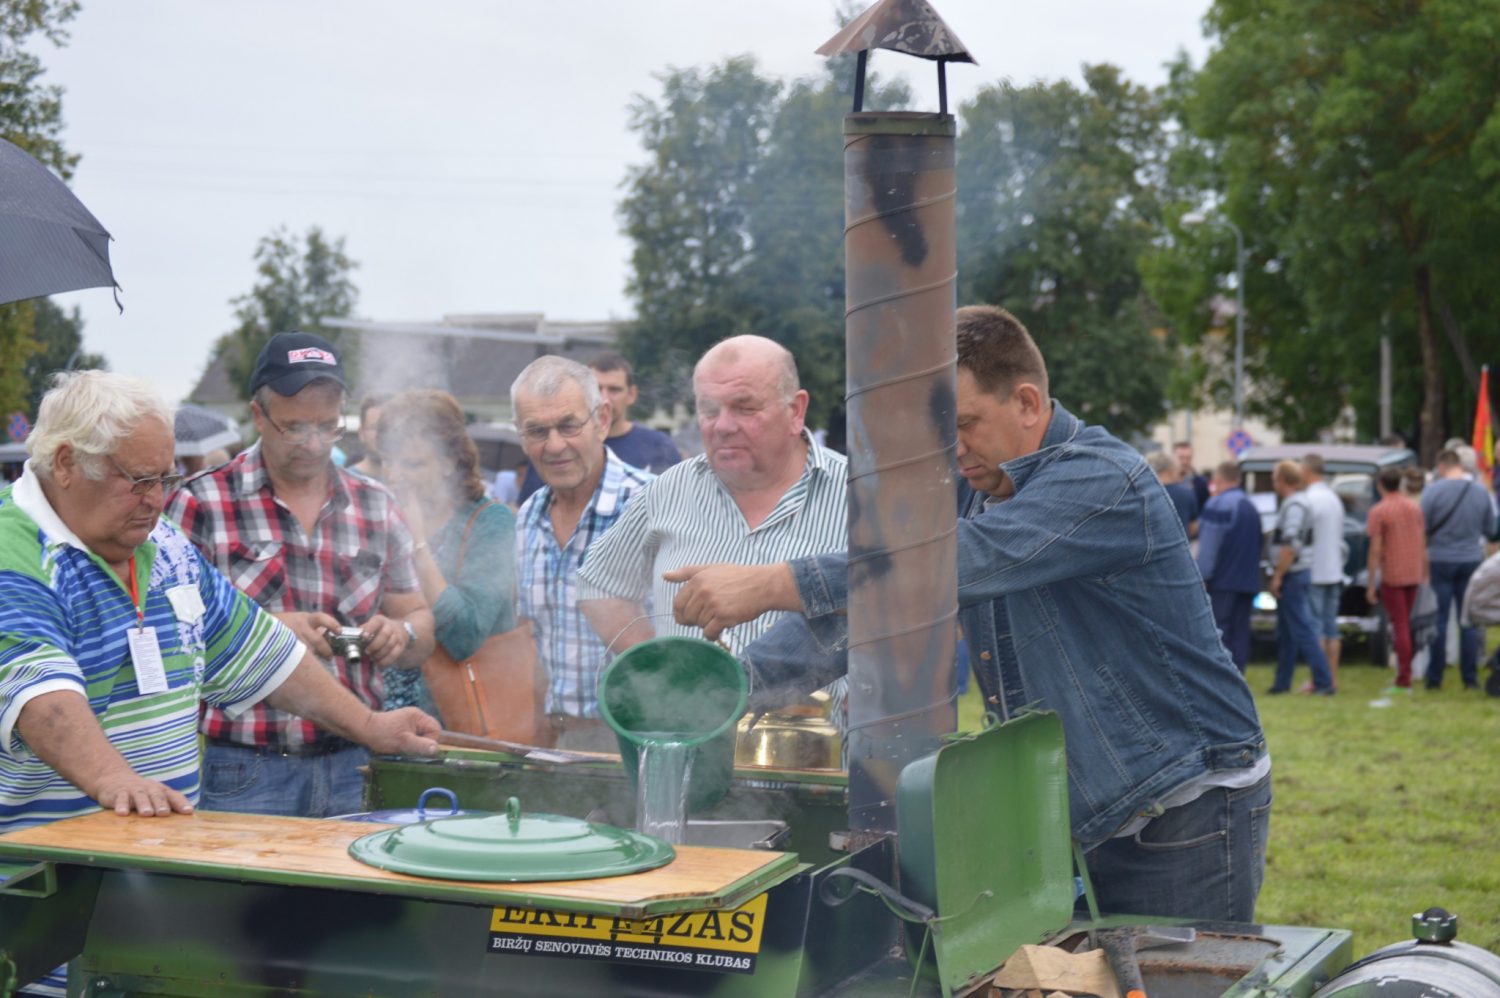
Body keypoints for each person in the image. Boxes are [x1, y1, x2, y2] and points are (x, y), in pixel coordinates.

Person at [668, 307, 1268, 923]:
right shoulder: (974, 487)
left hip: (1183, 809)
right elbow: (875, 612)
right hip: (1080, 813)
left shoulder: (1104, 481)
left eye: (964, 424)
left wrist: (774, 582)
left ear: (1027, 402)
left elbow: (948, 564)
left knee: (1172, 974)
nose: (951, 450)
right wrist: (731, 688)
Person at [0, 373, 439, 997]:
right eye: (139, 480)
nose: (156, 499)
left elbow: (264, 652)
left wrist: (371, 726)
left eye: (165, 478)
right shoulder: (13, 550)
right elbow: (39, 693)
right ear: (67, 463)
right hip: (42, 916)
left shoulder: (164, 545)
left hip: (148, 904)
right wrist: (115, 780)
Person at [166, 332, 436, 817]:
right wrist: (265, 632)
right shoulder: (200, 502)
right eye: (294, 427)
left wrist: (402, 633)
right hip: (247, 769)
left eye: (328, 427)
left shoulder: (376, 503)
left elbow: (420, 622)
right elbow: (168, 637)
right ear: (258, 415)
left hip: (357, 764)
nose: (314, 444)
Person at [577, 335, 848, 659]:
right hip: (689, 696)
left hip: (820, 696)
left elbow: (897, 595)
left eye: (745, 408)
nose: (723, 426)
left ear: (795, 410)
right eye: (709, 410)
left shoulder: (857, 493)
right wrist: (659, 666)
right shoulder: (667, 490)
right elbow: (599, 583)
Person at [511, 356, 653, 750]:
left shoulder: (653, 506)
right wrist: (540, 743)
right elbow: (537, 641)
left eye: (568, 425)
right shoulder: (528, 517)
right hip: (563, 742)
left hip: (643, 741)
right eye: (537, 431)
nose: (555, 445)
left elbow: (687, 648)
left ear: (602, 419)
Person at [376, 390, 517, 721]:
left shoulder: (490, 523)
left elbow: (465, 635)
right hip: (379, 721)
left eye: (412, 464)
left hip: (455, 724)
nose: (394, 476)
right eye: (387, 461)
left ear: (449, 462)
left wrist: (417, 541)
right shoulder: (376, 516)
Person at [1420, 447, 1494, 690]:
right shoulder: (1480, 492)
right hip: (1471, 559)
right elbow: (1490, 529)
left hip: (1440, 559)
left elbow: (1423, 527)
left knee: (1439, 619)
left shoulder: (1432, 492)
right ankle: (1470, 678)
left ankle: (1435, 677)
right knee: (1468, 620)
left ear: (1442, 466)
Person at [1267, 461, 1335, 695]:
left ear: (1283, 480)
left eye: (1275, 478)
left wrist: (1278, 575)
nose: (1273, 482)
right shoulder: (1297, 502)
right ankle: (1282, 682)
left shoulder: (1295, 505)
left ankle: (1323, 681)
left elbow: (1291, 544)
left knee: (1302, 629)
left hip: (1293, 574)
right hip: (1296, 573)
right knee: (1287, 633)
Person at [1365, 465, 1428, 693]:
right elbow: (1422, 541)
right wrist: (1424, 570)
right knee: (1407, 623)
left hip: (1393, 573)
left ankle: (1404, 676)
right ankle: (1408, 670)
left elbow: (1375, 549)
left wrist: (1371, 582)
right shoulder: (1414, 507)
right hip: (1413, 571)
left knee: (1399, 624)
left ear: (1380, 484)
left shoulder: (1379, 511)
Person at [1197, 461, 1264, 672]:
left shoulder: (1217, 505)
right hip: (1248, 581)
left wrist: (1202, 576)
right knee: (1241, 631)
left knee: (1220, 631)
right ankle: (1239, 675)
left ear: (1217, 480)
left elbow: (1209, 546)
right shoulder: (1251, 506)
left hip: (1224, 581)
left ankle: (1223, 677)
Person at [1300, 453, 1346, 690]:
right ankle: (1333, 678)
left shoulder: (1309, 499)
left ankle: (1319, 678)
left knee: (1315, 629)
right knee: (1331, 627)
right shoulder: (1333, 498)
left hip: (1315, 570)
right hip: (1334, 570)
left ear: (1307, 471)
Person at [1148, 450, 1198, 536]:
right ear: (1170, 471)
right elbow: (1193, 527)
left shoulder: (1145, 493)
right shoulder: (1186, 492)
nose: (1179, 474)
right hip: (1179, 542)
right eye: (1177, 471)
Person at [347, 393, 389, 479]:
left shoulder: (409, 479)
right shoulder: (348, 481)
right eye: (374, 427)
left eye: (386, 426)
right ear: (361, 433)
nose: (380, 434)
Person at [1175, 439, 1211, 510]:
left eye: (1188, 458)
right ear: (1173, 458)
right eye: (1181, 458)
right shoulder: (1166, 483)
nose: (1185, 462)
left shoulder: (1202, 483)